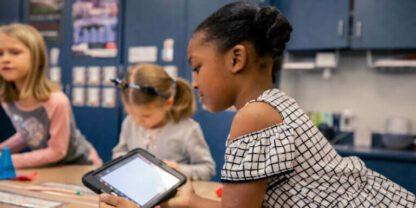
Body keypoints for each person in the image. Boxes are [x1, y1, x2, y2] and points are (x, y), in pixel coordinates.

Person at [100, 2, 415, 208]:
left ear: (236, 58)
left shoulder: (252, 116)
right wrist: (193, 202)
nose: (193, 82)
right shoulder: (275, 104)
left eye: (197, 68)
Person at [0, 23, 102, 168]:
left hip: (80, 165)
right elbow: (29, 133)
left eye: (15, 52)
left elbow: (57, 151)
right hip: (52, 167)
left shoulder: (56, 101)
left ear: (37, 58)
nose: (5, 59)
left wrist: (7, 161)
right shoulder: (7, 99)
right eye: (0, 54)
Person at [111, 63, 215, 181]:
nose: (137, 121)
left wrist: (179, 169)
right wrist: (124, 162)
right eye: (132, 114)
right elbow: (119, 152)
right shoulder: (129, 123)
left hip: (174, 196)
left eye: (146, 116)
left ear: (168, 104)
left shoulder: (188, 130)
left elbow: (208, 169)